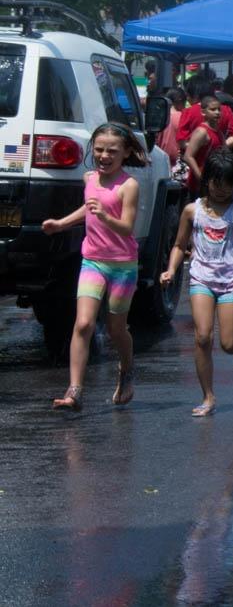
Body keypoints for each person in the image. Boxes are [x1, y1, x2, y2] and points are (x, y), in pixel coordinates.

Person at [44, 124, 147, 411]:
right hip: (92, 261)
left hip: (123, 266)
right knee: (84, 323)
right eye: (99, 149)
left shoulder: (129, 185)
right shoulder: (90, 178)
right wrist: (61, 224)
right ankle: (74, 390)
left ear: (126, 152)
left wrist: (104, 216)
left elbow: (126, 227)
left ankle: (126, 370)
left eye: (112, 151)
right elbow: (88, 208)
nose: (104, 155)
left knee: (116, 330)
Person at [162, 150, 233, 417]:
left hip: (232, 280)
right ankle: (208, 397)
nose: (223, 190)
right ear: (207, 179)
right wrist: (171, 269)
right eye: (217, 183)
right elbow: (178, 245)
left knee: (227, 342)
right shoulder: (192, 211)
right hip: (201, 277)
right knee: (202, 337)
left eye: (230, 185)